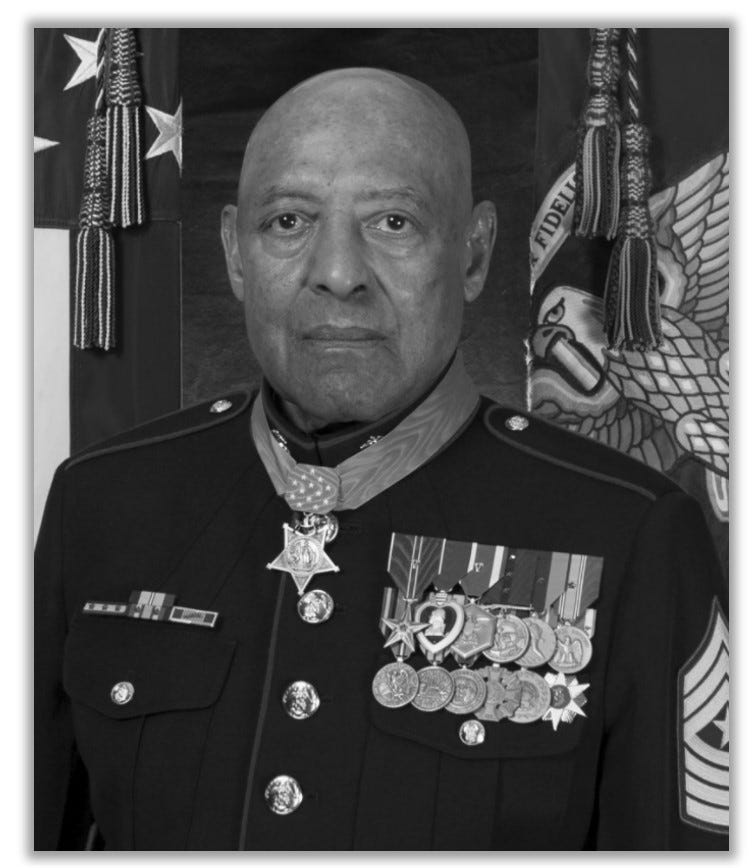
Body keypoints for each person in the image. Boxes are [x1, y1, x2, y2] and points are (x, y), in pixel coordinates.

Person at [34, 67, 728, 851]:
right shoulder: (101, 501)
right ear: (235, 253)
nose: (337, 272)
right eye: (289, 220)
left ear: (473, 255)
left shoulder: (628, 531)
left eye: (393, 222)